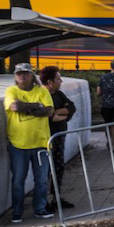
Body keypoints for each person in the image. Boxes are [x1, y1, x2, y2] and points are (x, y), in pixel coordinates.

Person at [4, 63, 55, 223]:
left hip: (41, 142)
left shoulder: (42, 91)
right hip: (18, 144)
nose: (22, 76)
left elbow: (49, 111)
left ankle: (40, 209)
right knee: (18, 180)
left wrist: (25, 108)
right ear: (15, 76)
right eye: (19, 74)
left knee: (41, 180)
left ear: (32, 75)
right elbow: (14, 106)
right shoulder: (11, 91)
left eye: (25, 73)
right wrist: (36, 106)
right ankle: (17, 213)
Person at [40, 66, 76, 211]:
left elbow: (72, 108)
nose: (61, 81)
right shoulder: (41, 95)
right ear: (50, 82)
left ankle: (56, 197)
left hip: (59, 137)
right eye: (58, 79)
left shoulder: (59, 94)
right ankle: (45, 201)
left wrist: (58, 113)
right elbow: (49, 118)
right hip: (46, 138)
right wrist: (61, 114)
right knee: (46, 170)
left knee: (59, 167)